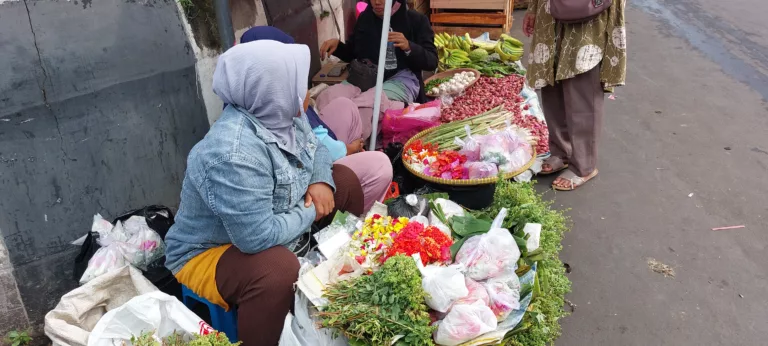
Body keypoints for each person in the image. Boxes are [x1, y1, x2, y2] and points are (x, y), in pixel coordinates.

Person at [164, 40, 372, 346]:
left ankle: (333, 282)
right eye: (299, 83)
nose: (307, 90)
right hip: (213, 249)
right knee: (276, 270)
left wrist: (320, 182)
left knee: (344, 181)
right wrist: (312, 210)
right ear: (273, 89)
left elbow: (318, 153)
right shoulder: (232, 153)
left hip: (279, 217)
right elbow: (257, 238)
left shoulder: (284, 115)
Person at [239, 26, 392, 211]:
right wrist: (343, 153)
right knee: (377, 166)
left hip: (311, 173)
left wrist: (321, 175)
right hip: (298, 199)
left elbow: (313, 140)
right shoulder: (239, 140)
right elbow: (267, 220)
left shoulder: (273, 93)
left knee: (345, 105)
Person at [523, 0, 626, 190]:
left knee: (582, 88)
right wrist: (534, 8)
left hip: (586, 17)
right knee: (551, 81)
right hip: (550, 12)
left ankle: (584, 165)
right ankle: (562, 151)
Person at [320, 0, 438, 104]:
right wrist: (338, 47)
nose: (377, 2)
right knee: (327, 98)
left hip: (401, 80)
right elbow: (354, 53)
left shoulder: (415, 20)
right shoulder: (365, 19)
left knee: (370, 105)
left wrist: (409, 47)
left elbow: (432, 61)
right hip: (365, 79)